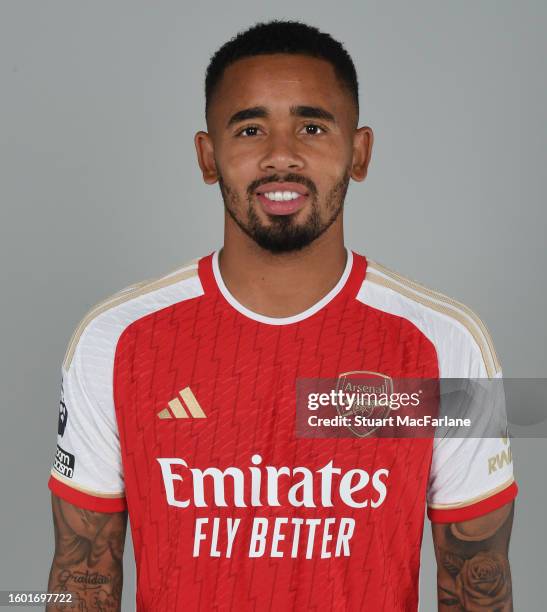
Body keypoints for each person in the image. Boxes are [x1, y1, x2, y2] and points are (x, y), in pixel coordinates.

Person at [46, 20, 517, 612]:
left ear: (360, 151)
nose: (281, 156)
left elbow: (480, 582)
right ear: (208, 155)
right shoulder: (112, 340)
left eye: (312, 127)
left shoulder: (446, 345)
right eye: (249, 129)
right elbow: (81, 578)